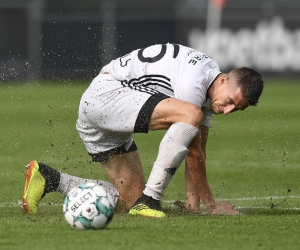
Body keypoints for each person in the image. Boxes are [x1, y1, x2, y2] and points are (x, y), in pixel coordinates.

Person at [22, 43, 264, 217]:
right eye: (231, 102)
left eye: (237, 109)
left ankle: (50, 179)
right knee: (192, 116)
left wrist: (194, 207)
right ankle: (150, 201)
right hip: (107, 95)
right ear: (223, 80)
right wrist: (212, 206)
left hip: (108, 107)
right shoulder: (194, 84)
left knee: (129, 199)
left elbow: (197, 152)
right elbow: (192, 152)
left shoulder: (210, 90)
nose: (227, 111)